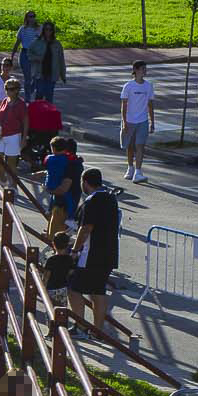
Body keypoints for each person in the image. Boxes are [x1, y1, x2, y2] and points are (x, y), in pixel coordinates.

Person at [68, 170, 125, 341]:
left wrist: (75, 250)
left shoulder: (92, 201)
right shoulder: (110, 198)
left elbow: (86, 228)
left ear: (85, 182)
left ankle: (80, 326)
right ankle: (97, 331)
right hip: (109, 254)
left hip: (91, 254)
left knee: (73, 288)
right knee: (97, 291)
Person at [117, 61, 155, 183]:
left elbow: (150, 104)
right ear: (136, 70)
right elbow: (123, 105)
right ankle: (130, 168)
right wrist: (124, 122)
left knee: (140, 146)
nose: (145, 71)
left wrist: (152, 121)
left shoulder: (148, 86)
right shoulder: (128, 86)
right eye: (143, 68)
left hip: (143, 120)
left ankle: (138, 172)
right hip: (130, 121)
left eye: (145, 68)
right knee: (130, 146)